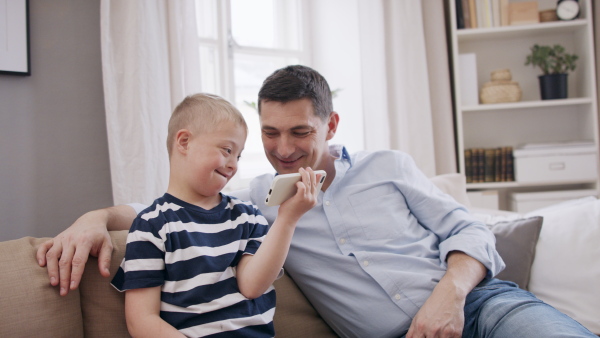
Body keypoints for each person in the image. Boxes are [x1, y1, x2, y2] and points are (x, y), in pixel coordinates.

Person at [37, 66, 596, 338]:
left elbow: (471, 232)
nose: (282, 151)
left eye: (299, 132)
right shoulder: (258, 198)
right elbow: (171, 214)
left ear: (330, 123)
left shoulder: (388, 166)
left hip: (482, 307)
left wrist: (450, 295)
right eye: (270, 133)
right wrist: (94, 219)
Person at [108, 93, 321, 337]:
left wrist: (288, 219)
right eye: (227, 150)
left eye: (238, 156)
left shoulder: (247, 217)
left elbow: (252, 287)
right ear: (184, 142)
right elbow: (142, 321)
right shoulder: (151, 225)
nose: (233, 164)